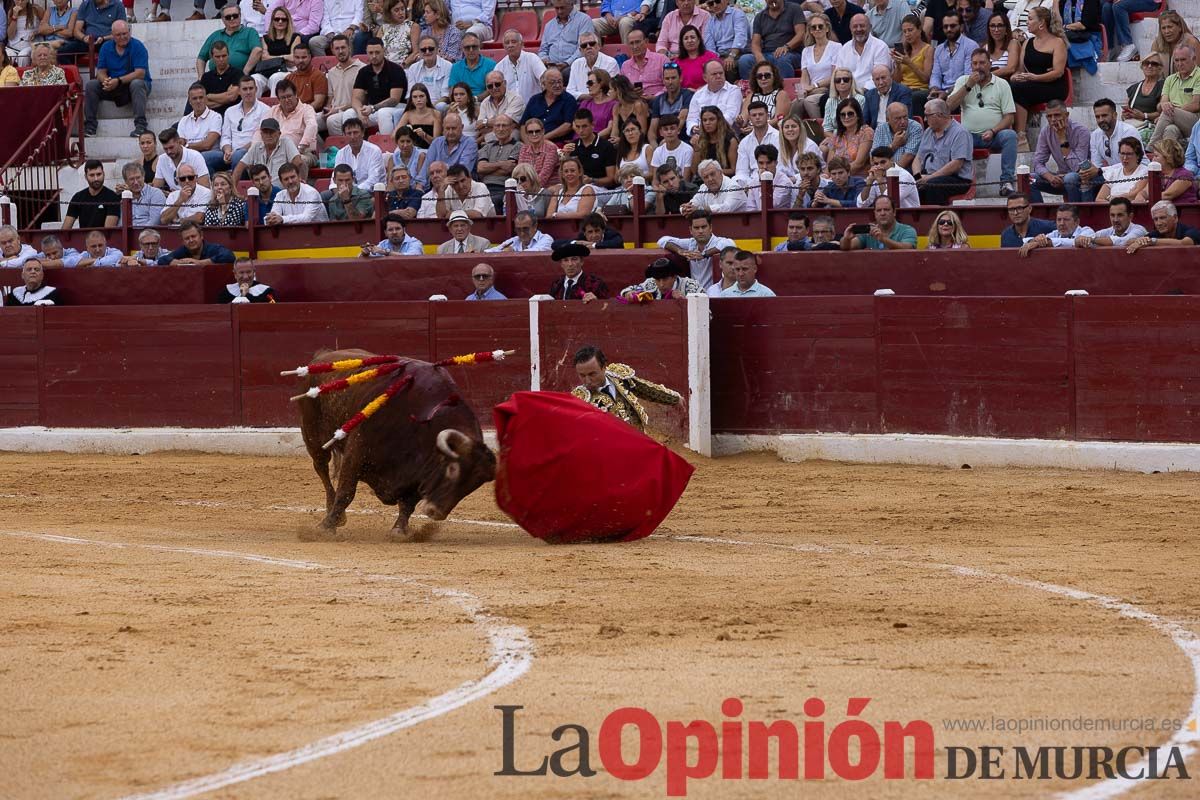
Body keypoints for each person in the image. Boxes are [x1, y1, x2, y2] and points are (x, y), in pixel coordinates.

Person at [948, 47, 1017, 195]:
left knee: (1010, 136)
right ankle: (954, 182)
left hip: (993, 135)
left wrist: (993, 131)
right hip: (967, 136)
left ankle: (1006, 181)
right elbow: (948, 107)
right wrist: (968, 86)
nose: (978, 67)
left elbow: (1009, 117)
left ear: (990, 64)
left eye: (982, 63)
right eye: (974, 64)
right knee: (952, 136)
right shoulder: (963, 81)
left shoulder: (1002, 84)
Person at [571, 345, 682, 432]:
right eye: (582, 375)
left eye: (592, 374)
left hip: (638, 438)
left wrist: (674, 399)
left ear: (604, 367)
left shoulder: (619, 376)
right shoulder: (579, 399)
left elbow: (645, 389)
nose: (587, 381)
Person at [1010, 7, 1068, 151]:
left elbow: (1058, 72)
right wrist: (1016, 76)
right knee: (1011, 85)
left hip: (1053, 85)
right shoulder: (1027, 43)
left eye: (1030, 19)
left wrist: (1036, 78)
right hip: (1032, 83)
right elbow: (1020, 70)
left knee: (1019, 89)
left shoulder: (1057, 43)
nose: (1027, 22)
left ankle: (1021, 136)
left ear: (1041, 23)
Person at [82, 21, 151, 138]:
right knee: (91, 85)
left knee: (137, 84)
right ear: (112, 36)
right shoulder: (106, 47)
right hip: (114, 84)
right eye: (118, 35)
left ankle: (141, 125)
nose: (123, 37)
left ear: (129, 32)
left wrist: (118, 81)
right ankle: (90, 126)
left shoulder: (138, 46)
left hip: (132, 85)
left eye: (125, 33)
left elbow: (140, 73)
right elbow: (100, 72)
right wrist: (106, 81)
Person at [914, 98, 973, 205]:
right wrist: (917, 177)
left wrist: (929, 178)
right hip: (928, 176)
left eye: (927, 115)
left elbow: (956, 164)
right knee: (906, 182)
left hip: (956, 179)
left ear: (939, 115)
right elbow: (918, 158)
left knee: (932, 186)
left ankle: (935, 217)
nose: (925, 119)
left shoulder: (960, 133)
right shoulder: (928, 132)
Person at [1030, 99, 1092, 202]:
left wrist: (1062, 138)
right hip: (1059, 177)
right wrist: (1049, 177)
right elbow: (1037, 163)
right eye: (1049, 116)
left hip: (1082, 177)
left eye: (1057, 115)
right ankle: (1038, 214)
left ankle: (1074, 213)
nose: (1053, 119)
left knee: (1070, 178)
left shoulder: (1081, 131)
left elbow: (1077, 167)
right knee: (1030, 179)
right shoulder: (1045, 132)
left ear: (1066, 115)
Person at [657, 209, 736, 286]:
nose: (700, 231)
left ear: (710, 228)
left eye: (703, 227)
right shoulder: (690, 243)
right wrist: (679, 250)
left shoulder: (718, 241)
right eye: (696, 228)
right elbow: (662, 240)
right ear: (691, 230)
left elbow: (730, 244)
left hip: (714, 293)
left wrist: (704, 254)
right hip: (694, 293)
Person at [1151, 45, 1200, 145]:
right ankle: (1169, 159)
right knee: (1170, 130)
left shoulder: (1198, 76)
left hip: (1195, 121)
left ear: (1194, 59)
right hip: (1173, 119)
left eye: (1183, 60)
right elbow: (1162, 103)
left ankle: (1150, 147)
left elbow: (1196, 105)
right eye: (1176, 60)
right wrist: (1164, 105)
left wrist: (1171, 110)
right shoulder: (1170, 79)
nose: (1179, 64)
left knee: (1168, 112)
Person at [196, 6, 263, 77]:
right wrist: (201, 78)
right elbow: (201, 58)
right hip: (216, 77)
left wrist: (245, 72)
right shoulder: (215, 35)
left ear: (240, 16)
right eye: (228, 17)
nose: (232, 19)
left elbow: (257, 50)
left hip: (242, 78)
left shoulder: (249, 32)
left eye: (235, 16)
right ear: (222, 19)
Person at [233, 118, 303, 185]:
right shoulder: (256, 147)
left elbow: (298, 161)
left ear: (279, 133)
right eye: (265, 132)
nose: (268, 135)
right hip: (261, 190)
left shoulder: (286, 142)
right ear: (261, 134)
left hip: (281, 191)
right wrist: (233, 190)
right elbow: (239, 167)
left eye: (272, 132)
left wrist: (287, 179)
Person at [834, 13, 893, 91]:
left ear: (870, 27)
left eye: (862, 26)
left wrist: (861, 92)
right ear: (850, 29)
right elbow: (839, 74)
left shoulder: (880, 47)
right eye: (855, 26)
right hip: (847, 92)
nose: (858, 29)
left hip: (872, 92)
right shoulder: (845, 49)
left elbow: (881, 77)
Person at [1130, 138, 1198, 204]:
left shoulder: (1185, 175)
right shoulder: (1158, 174)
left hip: (1184, 213)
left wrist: (1146, 199)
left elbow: (1168, 195)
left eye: (1156, 156)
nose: (1153, 159)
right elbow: (1145, 192)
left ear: (1168, 157)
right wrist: (1140, 196)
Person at [57, 0, 124, 65]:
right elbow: (76, 31)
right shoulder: (85, 5)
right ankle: (74, 75)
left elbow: (121, 31)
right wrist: (84, 38)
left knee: (113, 50)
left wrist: (103, 38)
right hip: (88, 40)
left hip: (107, 40)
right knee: (62, 53)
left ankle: (106, 75)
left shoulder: (117, 5)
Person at [564, 109, 618, 189]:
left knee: (587, 190)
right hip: (577, 187)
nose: (581, 130)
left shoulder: (606, 146)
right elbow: (565, 174)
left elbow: (611, 179)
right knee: (554, 190)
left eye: (584, 126)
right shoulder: (572, 146)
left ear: (593, 125)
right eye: (578, 127)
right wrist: (566, 155)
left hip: (601, 189)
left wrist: (592, 180)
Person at [521, 68, 579, 144]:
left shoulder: (569, 100)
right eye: (553, 82)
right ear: (544, 84)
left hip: (557, 143)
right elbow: (523, 125)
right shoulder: (534, 100)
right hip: (533, 142)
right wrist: (528, 144)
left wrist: (542, 139)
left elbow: (568, 125)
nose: (557, 85)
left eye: (559, 81)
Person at [178, 84, 225, 176]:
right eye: (194, 98)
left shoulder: (215, 117)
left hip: (212, 155)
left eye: (201, 97)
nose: (198, 101)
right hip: (191, 156)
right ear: (190, 101)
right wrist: (190, 147)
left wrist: (187, 145)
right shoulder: (184, 120)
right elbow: (180, 145)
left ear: (206, 99)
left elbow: (207, 145)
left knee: (201, 158)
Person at [840, 194, 916, 250]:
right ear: (875, 214)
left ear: (894, 212)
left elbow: (908, 248)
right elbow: (847, 247)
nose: (882, 213)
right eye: (879, 210)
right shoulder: (869, 232)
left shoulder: (907, 230)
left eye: (886, 210)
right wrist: (846, 238)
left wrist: (883, 239)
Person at [687, 60, 743, 135]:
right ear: (705, 77)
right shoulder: (698, 94)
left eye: (721, 73)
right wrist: (694, 128)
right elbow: (691, 118)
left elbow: (730, 117)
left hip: (726, 136)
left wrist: (706, 128)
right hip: (702, 137)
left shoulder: (734, 91)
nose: (718, 76)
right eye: (714, 74)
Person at [61, 159, 121, 230]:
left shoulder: (112, 197)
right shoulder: (78, 197)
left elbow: (108, 231)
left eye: (99, 174)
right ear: (86, 177)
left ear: (104, 174)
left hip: (103, 240)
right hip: (83, 239)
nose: (96, 179)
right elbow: (65, 229)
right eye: (92, 175)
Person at [928, 11, 976, 97]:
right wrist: (934, 89)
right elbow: (935, 75)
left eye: (953, 26)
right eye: (945, 27)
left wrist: (947, 93)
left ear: (961, 27)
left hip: (964, 92)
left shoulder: (971, 46)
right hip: (942, 91)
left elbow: (968, 77)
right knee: (917, 98)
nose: (949, 29)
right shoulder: (939, 49)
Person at [323, 35, 366, 132]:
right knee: (310, 121)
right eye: (337, 48)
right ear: (332, 51)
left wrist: (338, 109)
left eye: (343, 47)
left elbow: (363, 99)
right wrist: (328, 109)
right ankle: (323, 147)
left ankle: (340, 146)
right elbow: (330, 98)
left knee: (332, 121)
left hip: (353, 110)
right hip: (334, 110)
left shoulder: (363, 69)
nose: (340, 51)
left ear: (349, 48)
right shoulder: (331, 72)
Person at [822, 98, 874, 176]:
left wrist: (837, 176)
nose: (846, 117)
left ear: (858, 115)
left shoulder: (866, 132)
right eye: (843, 114)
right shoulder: (837, 134)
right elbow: (830, 164)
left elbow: (858, 163)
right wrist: (826, 176)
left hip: (857, 179)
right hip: (836, 178)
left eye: (850, 114)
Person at [1017, 203, 1095, 256]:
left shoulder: (1087, 231)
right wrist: (1035, 240)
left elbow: (1073, 242)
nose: (1061, 223)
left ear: (1077, 222)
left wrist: (1044, 243)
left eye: (1066, 220)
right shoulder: (1055, 234)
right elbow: (1027, 241)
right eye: (1059, 219)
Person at [1124, 200, 1200, 252]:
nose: (1158, 223)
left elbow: (1185, 243)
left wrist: (1152, 241)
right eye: (1155, 219)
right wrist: (1139, 241)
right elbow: (1128, 242)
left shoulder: (1191, 231)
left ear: (1175, 218)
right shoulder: (1156, 233)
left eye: (1162, 218)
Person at [333, 117, 387, 190]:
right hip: (346, 190)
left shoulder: (374, 151)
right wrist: (336, 190)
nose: (352, 137)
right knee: (325, 196)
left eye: (355, 132)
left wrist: (353, 191)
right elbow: (336, 176)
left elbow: (373, 180)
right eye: (349, 133)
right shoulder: (341, 153)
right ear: (344, 135)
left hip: (371, 191)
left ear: (362, 133)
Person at [893, 14, 933, 112]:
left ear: (919, 30)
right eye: (904, 32)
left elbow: (925, 79)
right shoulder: (904, 51)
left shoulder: (928, 49)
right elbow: (896, 81)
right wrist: (898, 64)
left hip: (919, 89)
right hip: (903, 89)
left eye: (910, 30)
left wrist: (909, 63)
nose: (907, 34)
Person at [1075, 196, 1147, 248]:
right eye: (1112, 215)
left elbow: (1124, 241)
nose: (1115, 220)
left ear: (1130, 216)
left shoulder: (1139, 230)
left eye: (1120, 215)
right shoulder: (1106, 231)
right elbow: (1079, 240)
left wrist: (1092, 240)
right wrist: (1081, 240)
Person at [540, 0, 593, 68]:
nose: (559, 11)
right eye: (557, 8)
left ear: (571, 4)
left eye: (562, 8)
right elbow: (543, 50)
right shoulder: (549, 25)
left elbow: (583, 48)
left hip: (574, 65)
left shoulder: (584, 20)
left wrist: (567, 63)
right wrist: (544, 59)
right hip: (551, 66)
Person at [495, 30, 545, 102]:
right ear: (504, 46)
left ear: (521, 44)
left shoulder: (532, 58)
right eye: (507, 43)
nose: (510, 45)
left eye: (513, 42)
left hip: (533, 107)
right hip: (510, 110)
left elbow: (545, 80)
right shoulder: (499, 67)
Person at [621, 257, 704, 300]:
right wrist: (628, 293)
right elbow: (628, 290)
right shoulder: (650, 283)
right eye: (657, 280)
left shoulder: (691, 286)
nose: (661, 284)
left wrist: (685, 301)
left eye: (665, 279)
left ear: (674, 277)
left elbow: (707, 315)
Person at [705, 0, 749, 80]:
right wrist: (715, 60)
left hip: (738, 53)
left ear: (726, 1)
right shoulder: (710, 22)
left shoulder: (737, 14)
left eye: (717, 1)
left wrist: (731, 56)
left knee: (728, 66)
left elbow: (740, 37)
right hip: (719, 55)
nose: (714, 5)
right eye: (711, 3)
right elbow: (709, 46)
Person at [872, 101, 922, 172]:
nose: (902, 121)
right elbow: (873, 158)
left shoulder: (915, 127)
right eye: (898, 118)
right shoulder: (881, 129)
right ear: (888, 119)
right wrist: (893, 145)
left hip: (905, 172)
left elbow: (908, 156)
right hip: (881, 171)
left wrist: (891, 175)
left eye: (905, 117)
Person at [683, 157, 747, 212]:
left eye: (712, 174)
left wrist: (699, 209)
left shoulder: (734, 187)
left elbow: (726, 208)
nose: (710, 179)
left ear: (720, 172)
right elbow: (694, 203)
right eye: (706, 177)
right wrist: (685, 209)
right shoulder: (704, 187)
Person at [158, 221, 237, 265]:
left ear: (201, 236)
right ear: (183, 241)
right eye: (187, 238)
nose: (191, 240)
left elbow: (229, 256)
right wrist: (176, 262)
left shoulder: (213, 248)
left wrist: (200, 263)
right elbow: (162, 260)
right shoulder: (182, 251)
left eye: (193, 236)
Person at [568, 31, 620, 98]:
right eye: (584, 45)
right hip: (580, 104)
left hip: (604, 104)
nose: (588, 47)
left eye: (592, 44)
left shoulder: (610, 63)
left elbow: (612, 91)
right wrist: (587, 97)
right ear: (580, 50)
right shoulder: (576, 64)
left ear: (598, 46)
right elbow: (570, 91)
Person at [862, 63, 913, 131]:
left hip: (894, 131)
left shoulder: (903, 92)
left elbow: (905, 119)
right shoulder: (869, 95)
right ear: (873, 81)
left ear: (891, 77)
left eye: (883, 78)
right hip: (874, 132)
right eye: (877, 79)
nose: (881, 82)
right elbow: (865, 120)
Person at [1096, 136, 1149, 200]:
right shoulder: (1114, 173)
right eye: (1122, 154)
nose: (1125, 158)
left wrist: (1111, 198)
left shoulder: (1145, 172)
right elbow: (1099, 199)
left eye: (1129, 154)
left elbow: (1133, 195)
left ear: (1138, 155)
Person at [199, 41, 245, 115]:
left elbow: (232, 97)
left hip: (233, 115)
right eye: (217, 57)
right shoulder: (206, 77)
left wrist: (209, 96)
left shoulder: (238, 74)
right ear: (212, 58)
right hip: (210, 117)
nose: (221, 59)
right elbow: (203, 102)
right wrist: (225, 98)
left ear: (228, 55)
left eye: (224, 56)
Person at [621, 28, 669, 98]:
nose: (635, 46)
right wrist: (631, 94)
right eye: (631, 43)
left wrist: (655, 97)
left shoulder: (661, 59)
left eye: (638, 42)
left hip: (659, 102)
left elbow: (670, 84)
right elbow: (622, 90)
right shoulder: (625, 66)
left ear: (646, 41)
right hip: (634, 103)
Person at [1125, 54, 1165, 138]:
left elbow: (1163, 112)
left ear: (1160, 68)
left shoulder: (1163, 86)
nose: (1149, 66)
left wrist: (1144, 116)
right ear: (1142, 66)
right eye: (1146, 63)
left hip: (1151, 127)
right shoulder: (1134, 88)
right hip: (1133, 125)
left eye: (1154, 64)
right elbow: (1127, 107)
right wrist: (1125, 114)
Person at [488, 210, 554, 252]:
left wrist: (512, 253)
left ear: (535, 226)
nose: (522, 233)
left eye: (525, 229)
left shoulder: (546, 239)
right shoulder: (514, 240)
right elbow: (492, 250)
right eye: (518, 230)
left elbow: (535, 252)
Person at [556, 211, 626, 250]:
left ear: (603, 230)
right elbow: (555, 244)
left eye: (597, 231)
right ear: (584, 233)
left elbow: (617, 243)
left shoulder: (611, 234)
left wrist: (594, 245)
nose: (594, 235)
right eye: (590, 232)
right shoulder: (582, 238)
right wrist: (576, 243)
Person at [986, 11, 1019, 80]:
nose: (996, 30)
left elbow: (1011, 68)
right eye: (992, 26)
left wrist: (988, 76)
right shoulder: (985, 48)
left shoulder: (1013, 43)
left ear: (1006, 28)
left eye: (1000, 25)